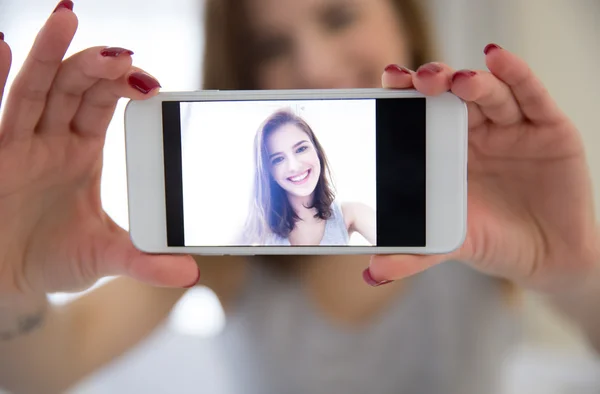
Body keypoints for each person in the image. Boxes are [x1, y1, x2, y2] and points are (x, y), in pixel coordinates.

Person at [0, 0, 599, 393]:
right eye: (270, 47)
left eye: (337, 17)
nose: (312, 62)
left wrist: (576, 269)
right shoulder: (220, 248)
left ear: (404, 20)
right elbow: (48, 366)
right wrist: (12, 280)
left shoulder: (471, 206)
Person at [241, 109, 376, 246]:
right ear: (268, 173)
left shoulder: (352, 213)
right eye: (278, 159)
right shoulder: (255, 229)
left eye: (301, 149)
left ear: (316, 150)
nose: (294, 166)